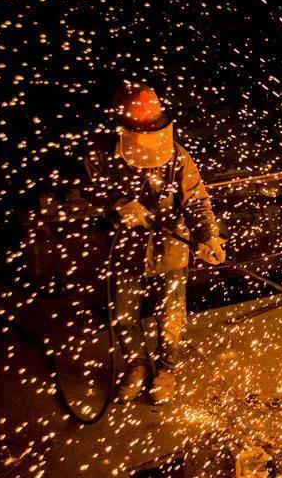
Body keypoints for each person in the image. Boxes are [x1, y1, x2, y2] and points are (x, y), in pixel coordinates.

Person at [84, 81, 226, 405]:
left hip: (170, 246)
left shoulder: (177, 156)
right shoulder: (102, 152)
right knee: (123, 314)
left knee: (171, 314)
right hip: (124, 246)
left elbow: (196, 201)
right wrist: (119, 203)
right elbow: (93, 189)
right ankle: (136, 366)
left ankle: (166, 369)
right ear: (122, 124)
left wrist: (207, 237)